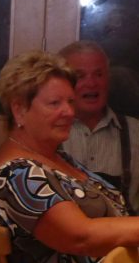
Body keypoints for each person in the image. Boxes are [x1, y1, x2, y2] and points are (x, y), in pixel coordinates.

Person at [0, 50, 139, 263]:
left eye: (70, 101)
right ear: (19, 109)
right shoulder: (18, 175)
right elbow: (81, 236)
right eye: (55, 103)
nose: (69, 111)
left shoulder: (54, 156)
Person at [58, 40, 139, 212]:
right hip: (63, 229)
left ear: (108, 80)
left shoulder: (135, 132)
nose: (91, 83)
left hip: (124, 228)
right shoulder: (46, 132)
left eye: (99, 74)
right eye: (80, 76)